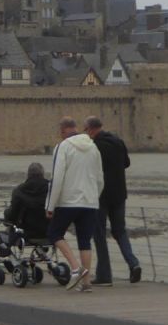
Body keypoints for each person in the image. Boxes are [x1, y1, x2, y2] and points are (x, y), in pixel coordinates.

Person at [46, 117, 104, 292]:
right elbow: (100, 178)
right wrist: (95, 197)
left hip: (68, 201)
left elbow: (57, 178)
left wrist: (50, 206)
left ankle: (75, 267)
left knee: (54, 233)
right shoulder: (93, 147)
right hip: (90, 201)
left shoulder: (62, 147)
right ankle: (86, 283)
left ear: (63, 131)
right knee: (85, 241)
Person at [85, 116, 141, 285]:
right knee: (120, 231)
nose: (86, 133)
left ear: (92, 129)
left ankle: (104, 275)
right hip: (119, 195)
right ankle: (133, 263)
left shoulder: (94, 147)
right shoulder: (118, 142)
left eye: (86, 130)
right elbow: (126, 163)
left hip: (101, 196)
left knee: (99, 234)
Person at [3, 162, 50, 238]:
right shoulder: (51, 189)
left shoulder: (19, 190)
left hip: (26, 231)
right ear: (43, 173)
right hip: (49, 231)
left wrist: (6, 213)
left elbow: (12, 215)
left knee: (6, 230)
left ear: (28, 174)